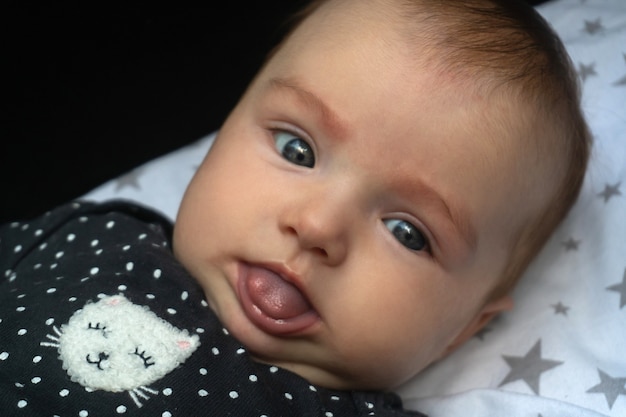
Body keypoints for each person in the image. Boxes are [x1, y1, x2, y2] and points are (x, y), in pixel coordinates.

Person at [0, 0, 591, 415]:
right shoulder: (92, 236)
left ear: (463, 330)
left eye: (408, 232)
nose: (316, 227)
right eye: (297, 148)